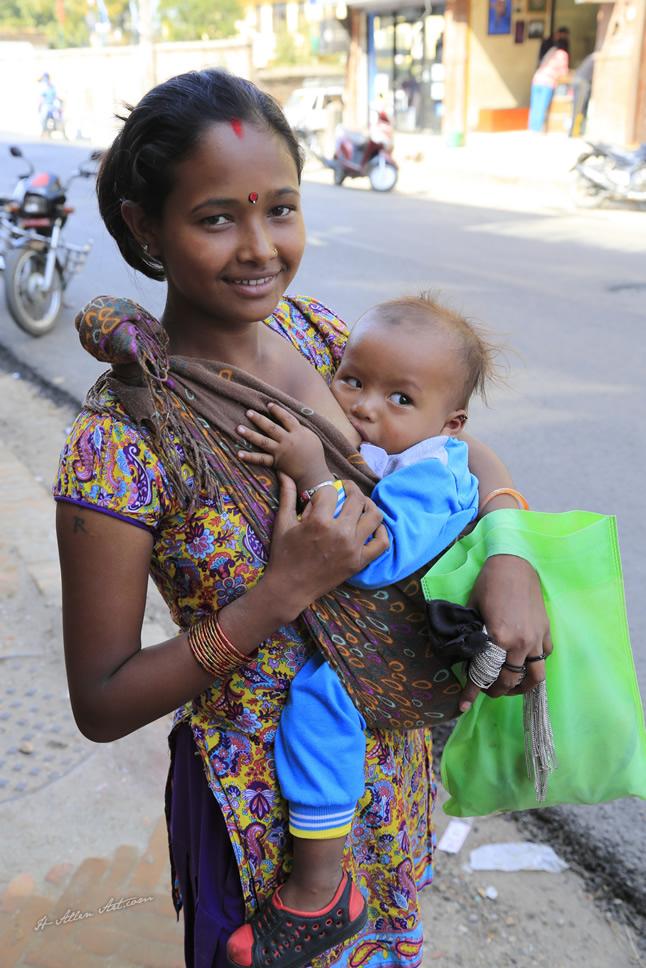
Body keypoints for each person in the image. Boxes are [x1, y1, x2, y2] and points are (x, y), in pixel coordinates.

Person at [54, 69, 551, 968]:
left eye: (279, 208)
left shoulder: (326, 337)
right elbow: (101, 699)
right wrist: (279, 593)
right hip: (264, 822)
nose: (260, 248)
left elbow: (448, 448)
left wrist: (509, 547)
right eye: (216, 218)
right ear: (144, 226)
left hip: (388, 764)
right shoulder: (116, 445)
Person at [226, 294, 509, 967]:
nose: (363, 406)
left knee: (322, 707)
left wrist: (313, 472)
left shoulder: (436, 473)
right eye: (351, 380)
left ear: (451, 422)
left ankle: (321, 887)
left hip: (395, 649)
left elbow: (374, 558)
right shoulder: (394, 449)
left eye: (400, 398)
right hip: (378, 639)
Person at [528, 35, 570, 133]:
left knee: (535, 105)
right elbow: (563, 72)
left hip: (537, 79)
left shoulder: (551, 51)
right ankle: (537, 130)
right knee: (542, 106)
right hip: (547, 82)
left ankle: (532, 128)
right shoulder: (562, 54)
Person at [570, 53, 595, 137]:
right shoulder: (596, 58)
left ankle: (578, 131)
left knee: (579, 107)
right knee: (579, 108)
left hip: (578, 81)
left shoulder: (591, 57)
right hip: (582, 83)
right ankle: (575, 132)